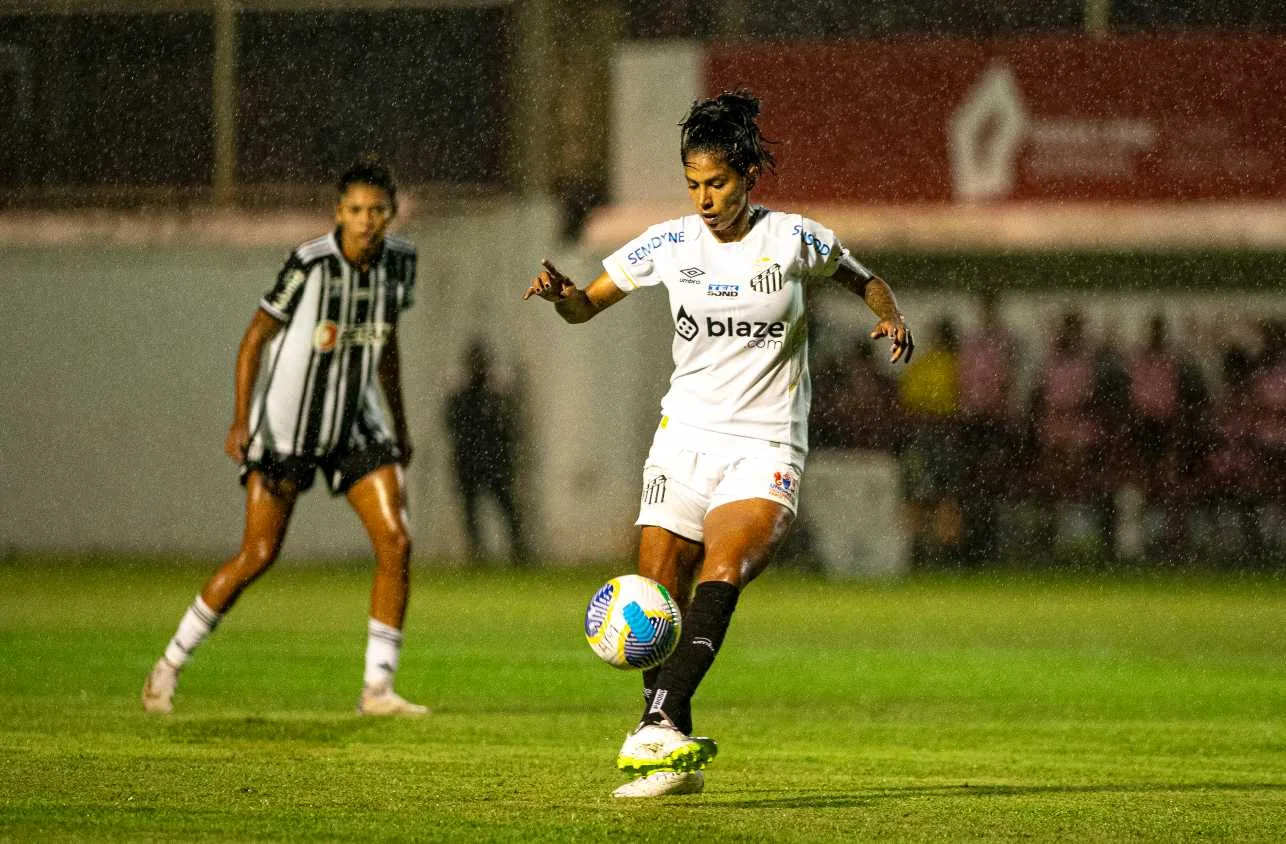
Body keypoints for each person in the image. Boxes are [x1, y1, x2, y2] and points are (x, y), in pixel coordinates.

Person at [522, 91, 913, 798]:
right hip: (685, 439)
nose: (704, 198)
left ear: (748, 178)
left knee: (723, 567)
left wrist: (889, 317)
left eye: (718, 183)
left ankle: (661, 720)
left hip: (764, 447)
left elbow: (867, 281)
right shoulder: (670, 245)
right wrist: (562, 296)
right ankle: (669, 755)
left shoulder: (792, 239)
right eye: (693, 184)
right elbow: (587, 306)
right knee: (653, 594)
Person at [142, 156, 426, 717]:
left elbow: (386, 343)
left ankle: (378, 689)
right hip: (287, 426)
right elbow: (255, 339)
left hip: (355, 424)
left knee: (396, 542)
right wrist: (241, 421)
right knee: (258, 554)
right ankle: (169, 665)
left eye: (376, 210)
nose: (366, 220)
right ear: (337, 213)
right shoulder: (310, 262)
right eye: (355, 210)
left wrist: (399, 422)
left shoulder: (402, 264)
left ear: (391, 214)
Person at [444, 338, 529, 565]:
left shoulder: (495, 391)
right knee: (472, 512)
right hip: (470, 460)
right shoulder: (462, 391)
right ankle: (478, 556)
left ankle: (518, 554)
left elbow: (509, 426)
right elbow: (452, 425)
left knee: (507, 508)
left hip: (494, 460)